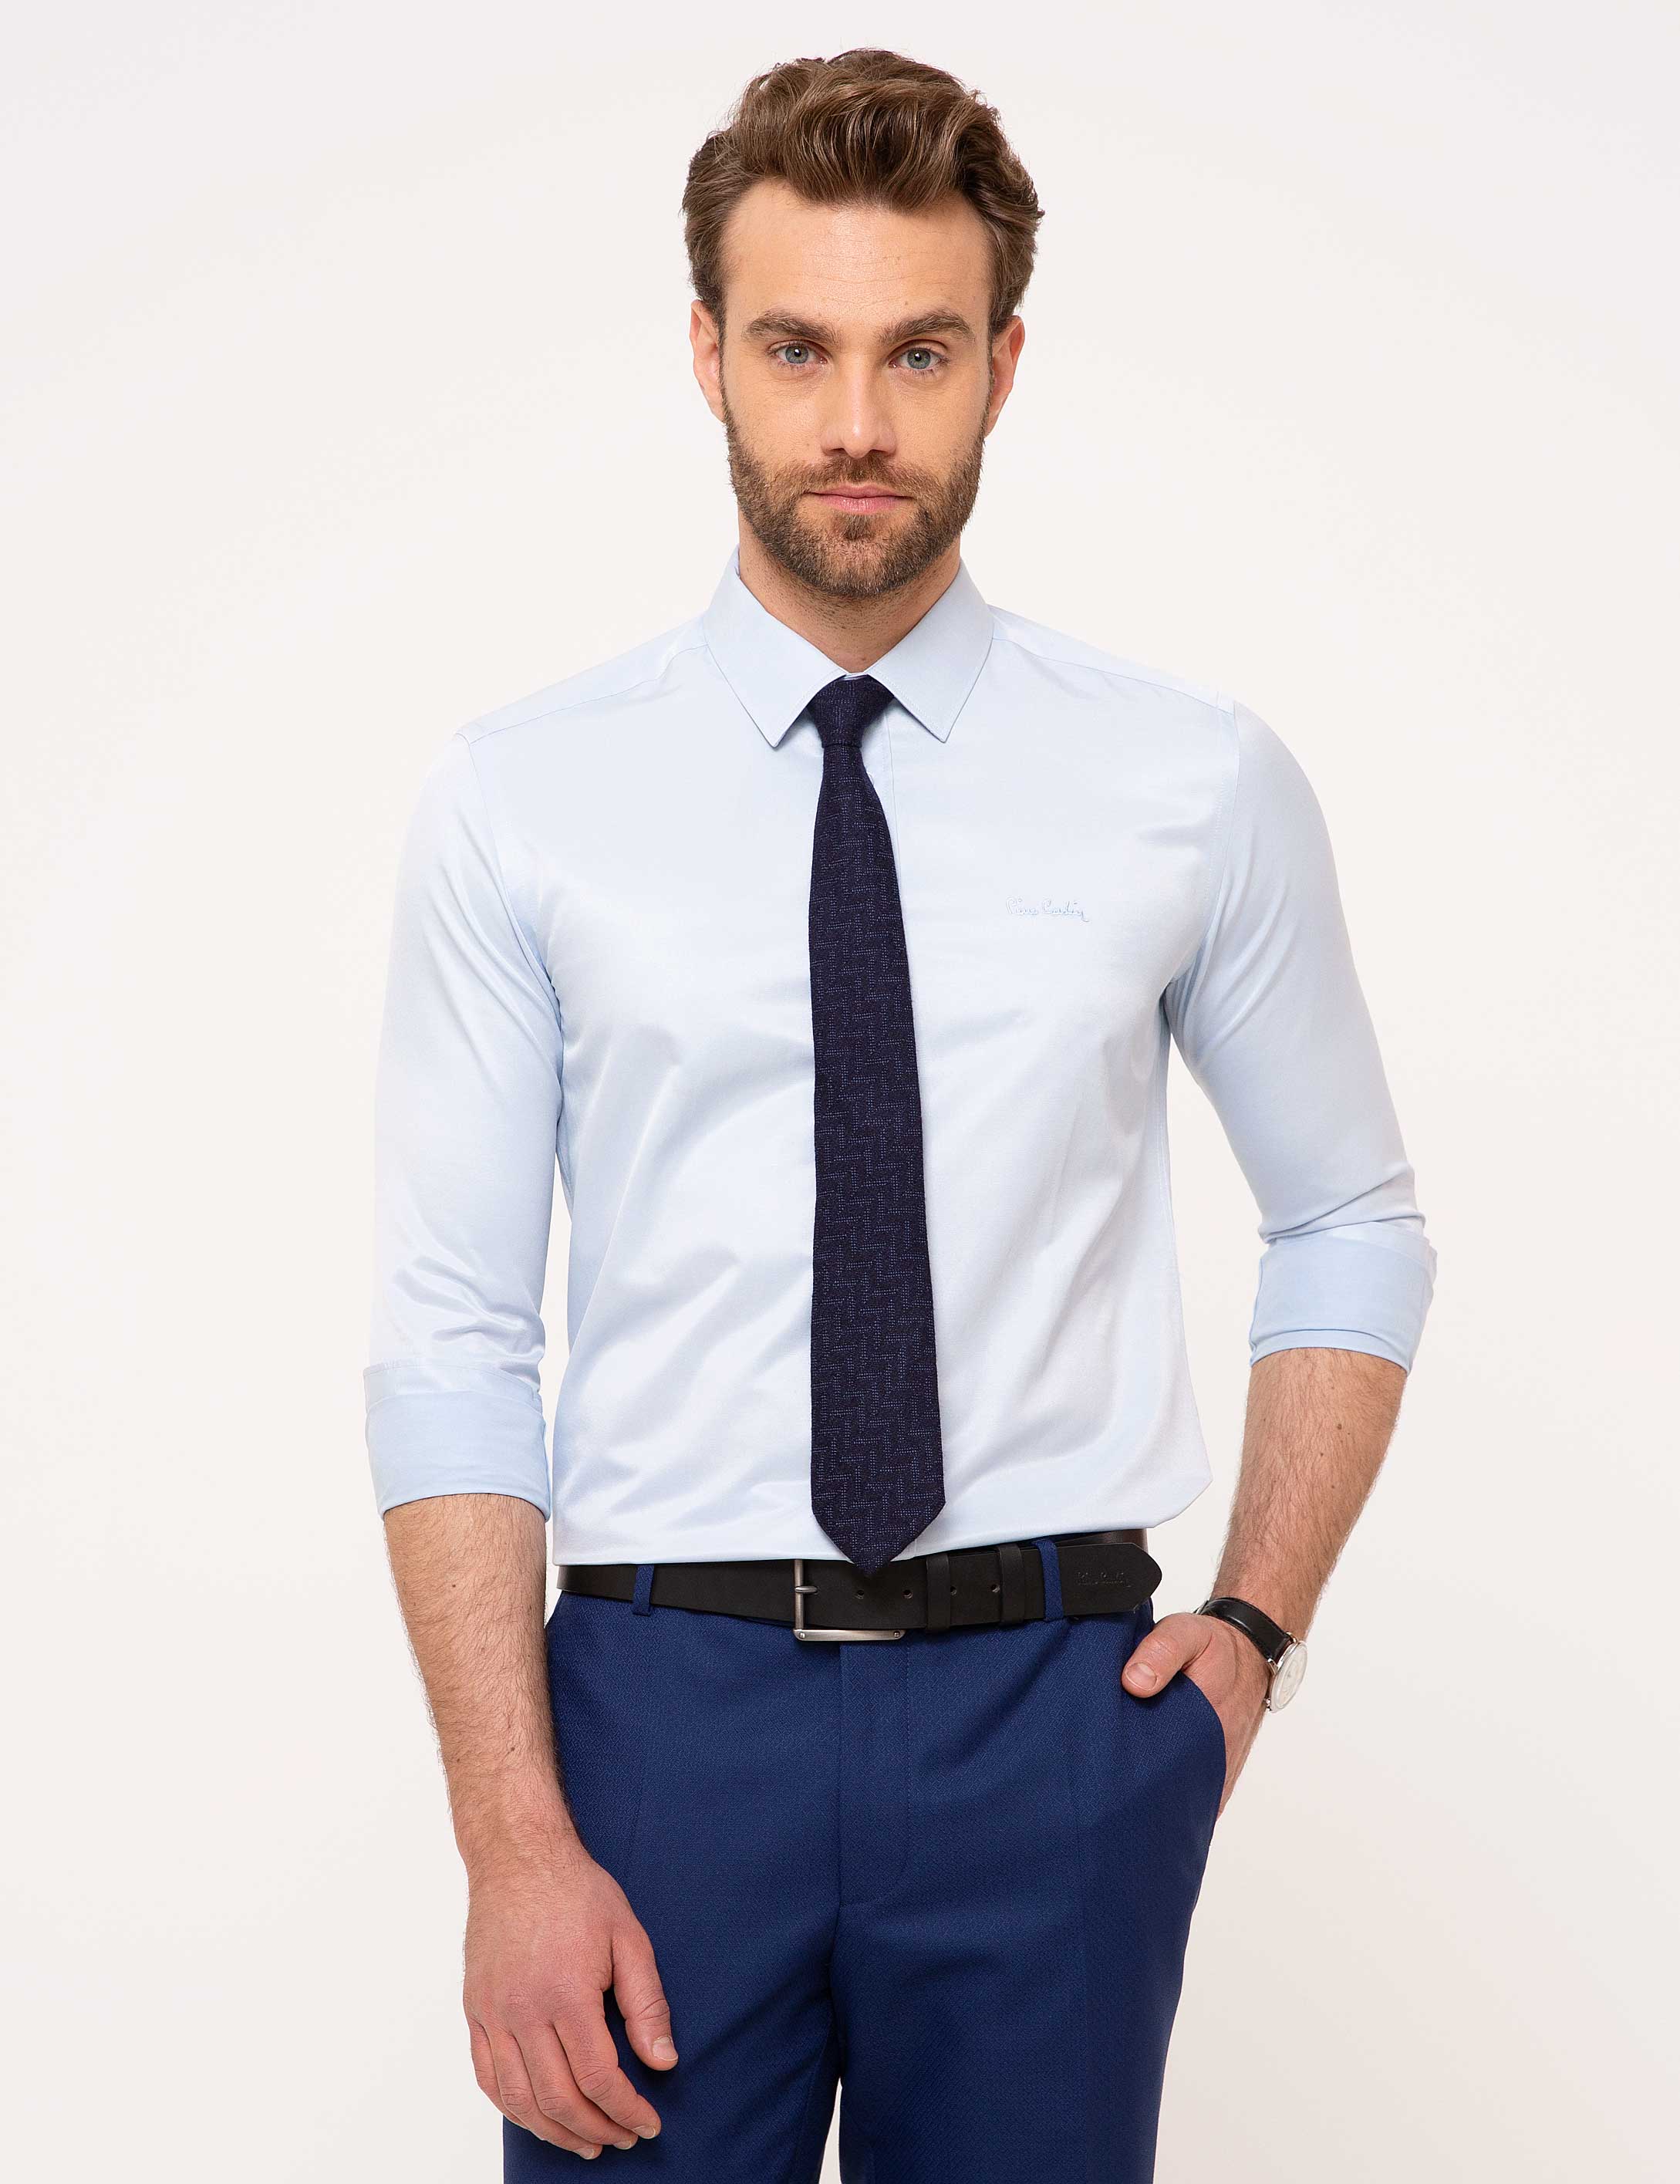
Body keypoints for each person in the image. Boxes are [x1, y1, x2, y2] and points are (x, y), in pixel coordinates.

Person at [363, 46, 1436, 2183]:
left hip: (1053, 1724)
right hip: (662, 1730)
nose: (855, 420)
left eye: (918, 352)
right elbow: (455, 1342)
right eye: (798, 348)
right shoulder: (522, 800)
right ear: (707, 354)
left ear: (1002, 367)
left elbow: (1352, 1221)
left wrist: (1248, 1633)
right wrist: (510, 1840)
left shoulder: (1190, 781)